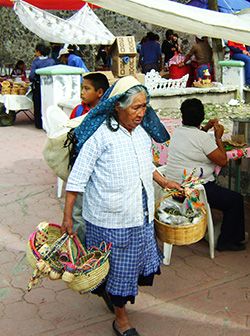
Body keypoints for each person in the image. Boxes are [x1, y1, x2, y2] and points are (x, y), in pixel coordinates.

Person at [61, 76, 181, 336]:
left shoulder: (140, 135)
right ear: (118, 105)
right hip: (110, 219)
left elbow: (145, 166)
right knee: (118, 270)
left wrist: (164, 180)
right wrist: (68, 217)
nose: (142, 113)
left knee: (127, 268)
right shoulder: (100, 136)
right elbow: (77, 178)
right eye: (136, 107)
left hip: (139, 214)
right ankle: (121, 319)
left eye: (144, 107)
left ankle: (112, 295)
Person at [164, 98, 246, 252]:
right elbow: (222, 161)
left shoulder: (178, 132)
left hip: (173, 188)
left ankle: (224, 231)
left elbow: (194, 139)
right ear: (202, 116)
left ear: (183, 117)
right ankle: (227, 241)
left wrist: (206, 128)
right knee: (235, 200)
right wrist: (218, 137)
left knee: (224, 194)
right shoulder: (203, 139)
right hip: (193, 192)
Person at [69, 72, 110, 243]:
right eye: (82, 88)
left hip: (101, 170)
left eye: (87, 88)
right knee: (78, 210)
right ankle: (79, 248)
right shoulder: (78, 110)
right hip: (79, 165)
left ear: (100, 92)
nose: (82, 92)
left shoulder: (108, 113)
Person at [29, 42, 55, 129]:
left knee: (38, 105)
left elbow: (31, 76)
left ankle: (39, 124)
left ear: (39, 52)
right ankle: (49, 123)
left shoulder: (36, 62)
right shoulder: (52, 61)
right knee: (49, 103)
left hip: (38, 86)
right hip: (50, 86)